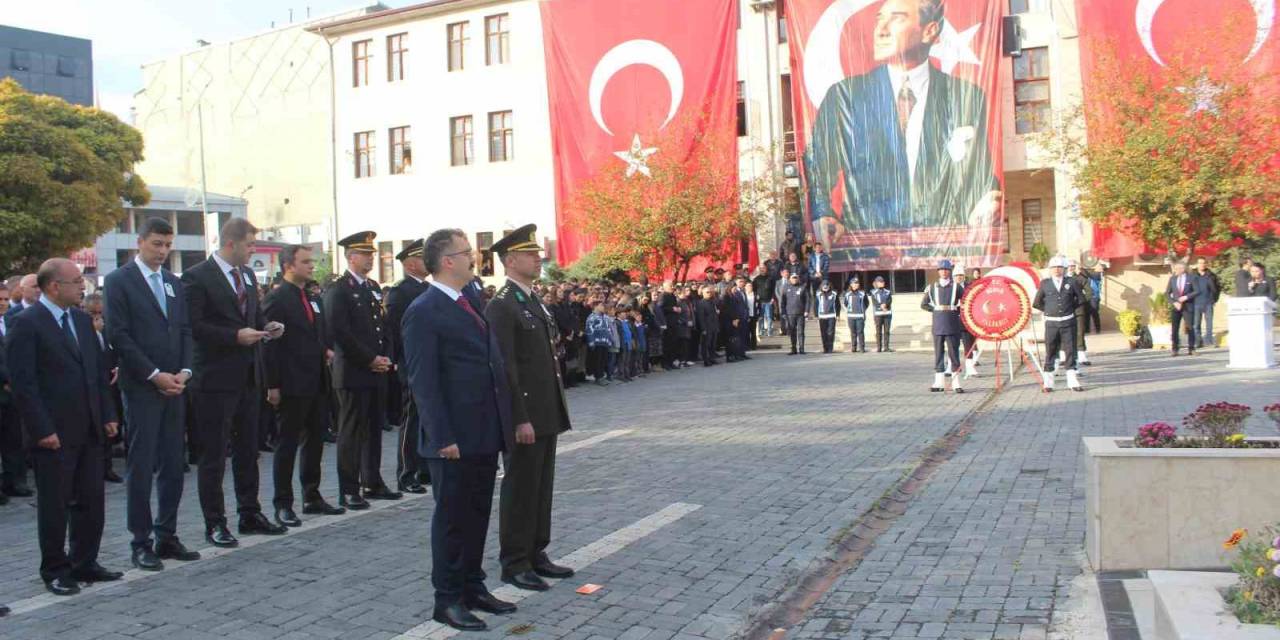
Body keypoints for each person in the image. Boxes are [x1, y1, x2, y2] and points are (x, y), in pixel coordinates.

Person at [402, 228, 517, 632]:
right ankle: (447, 599)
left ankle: (473, 585)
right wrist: (441, 437)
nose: (474, 257)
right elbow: (423, 381)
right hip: (452, 438)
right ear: (447, 261)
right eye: (467, 252)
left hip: (482, 430)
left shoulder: (469, 299)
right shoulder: (424, 309)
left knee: (477, 513)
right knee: (452, 519)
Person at [806, 0, 1000, 238]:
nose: (881, 30)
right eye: (879, 19)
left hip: (942, 239)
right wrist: (822, 211)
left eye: (896, 18)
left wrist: (989, 197)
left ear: (929, 30)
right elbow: (818, 161)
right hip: (868, 242)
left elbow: (978, 168)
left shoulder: (964, 96)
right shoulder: (845, 96)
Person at [8, 259, 123, 595]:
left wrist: (107, 414)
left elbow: (97, 374)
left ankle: (85, 561)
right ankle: (55, 569)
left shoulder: (81, 321)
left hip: (88, 428)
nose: (82, 286)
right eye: (75, 281)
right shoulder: (27, 323)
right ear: (54, 286)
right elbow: (24, 384)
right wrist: (42, 429)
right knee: (55, 504)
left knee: (91, 500)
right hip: (53, 434)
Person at [103, 217, 201, 570]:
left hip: (175, 386)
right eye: (156, 244)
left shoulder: (174, 283)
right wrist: (154, 374)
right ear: (140, 242)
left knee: (174, 463)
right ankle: (140, 540)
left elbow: (186, 331)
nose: (162, 251)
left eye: (167, 245)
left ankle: (167, 534)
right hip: (143, 386)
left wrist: (185, 372)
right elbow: (119, 334)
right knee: (142, 465)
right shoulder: (119, 281)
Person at [182, 218, 287, 547]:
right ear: (231, 243)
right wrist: (232, 336)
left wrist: (267, 326)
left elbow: (252, 319)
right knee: (214, 454)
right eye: (250, 244)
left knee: (248, 450)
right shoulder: (197, 277)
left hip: (248, 376)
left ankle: (249, 511)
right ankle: (215, 521)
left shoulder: (247, 275)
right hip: (214, 378)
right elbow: (194, 326)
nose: (253, 250)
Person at [484, 224, 576, 593]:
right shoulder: (502, 305)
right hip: (525, 416)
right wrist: (519, 417)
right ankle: (514, 561)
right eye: (530, 254)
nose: (539, 258)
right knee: (520, 488)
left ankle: (537, 552)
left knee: (541, 486)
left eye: (537, 253)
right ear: (510, 260)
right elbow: (506, 367)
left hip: (545, 410)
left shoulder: (532, 299)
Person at [263, 244, 346, 528]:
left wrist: (325, 349)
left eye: (312, 261)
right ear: (289, 265)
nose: (312, 266)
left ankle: (312, 495)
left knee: (315, 441)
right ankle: (283, 504)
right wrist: (272, 384)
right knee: (287, 444)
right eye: (306, 262)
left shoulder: (310, 297)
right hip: (291, 383)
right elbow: (270, 346)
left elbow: (315, 334)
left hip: (316, 380)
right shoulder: (277, 299)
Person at [325, 231, 402, 510]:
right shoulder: (339, 289)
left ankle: (372, 480)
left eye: (371, 254)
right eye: (365, 254)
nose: (370, 258)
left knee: (373, 429)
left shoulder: (371, 286)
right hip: (354, 371)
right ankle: (348, 488)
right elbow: (339, 331)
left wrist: (386, 357)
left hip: (376, 370)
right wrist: (370, 358)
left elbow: (384, 327)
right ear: (350, 257)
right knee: (352, 431)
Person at [386, 239, 431, 495]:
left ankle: (424, 468)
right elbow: (396, 332)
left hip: (427, 363)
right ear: (411, 263)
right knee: (412, 419)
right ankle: (406, 472)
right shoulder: (400, 292)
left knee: (427, 418)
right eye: (422, 258)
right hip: (411, 364)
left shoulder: (426, 288)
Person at [1033, 256, 1085, 391]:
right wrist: (1049, 310)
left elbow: (1080, 299)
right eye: (1054, 268)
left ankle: (1072, 381)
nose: (1057, 270)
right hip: (1052, 323)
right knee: (1050, 351)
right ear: (1050, 270)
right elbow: (1037, 303)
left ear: (1064, 269)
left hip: (1068, 322)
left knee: (1070, 351)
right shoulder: (1045, 283)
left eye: (1060, 267)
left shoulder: (1071, 282)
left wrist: (1069, 309)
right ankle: (1048, 383)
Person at [921, 260, 965, 393]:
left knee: (954, 353)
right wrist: (935, 310)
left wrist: (955, 311)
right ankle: (938, 382)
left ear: (950, 271)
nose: (944, 272)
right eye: (941, 269)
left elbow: (965, 302)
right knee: (938, 354)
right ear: (938, 271)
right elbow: (924, 304)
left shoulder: (957, 287)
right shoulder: (932, 287)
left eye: (946, 270)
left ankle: (956, 383)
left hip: (952, 324)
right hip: (938, 324)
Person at [1164, 261, 1200, 357]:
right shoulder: (1172, 279)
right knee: (1174, 328)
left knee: (1190, 327)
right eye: (1175, 269)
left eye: (1179, 268)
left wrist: (1186, 297)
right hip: (1176, 307)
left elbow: (1197, 291)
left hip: (1188, 306)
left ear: (1183, 269)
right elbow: (1167, 294)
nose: (1176, 270)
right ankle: (1175, 349)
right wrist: (1174, 302)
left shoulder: (1192, 278)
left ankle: (1191, 348)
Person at [1067, 260, 1093, 366]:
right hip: (1065, 310)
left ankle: (1082, 356)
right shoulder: (1062, 279)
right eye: (1068, 266)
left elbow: (1089, 292)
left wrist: (1080, 301)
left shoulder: (1081, 278)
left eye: (1073, 266)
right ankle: (1065, 356)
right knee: (1065, 334)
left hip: (1078, 310)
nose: (1071, 268)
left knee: (1079, 333)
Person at [1191, 257, 1220, 348]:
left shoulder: (1211, 275)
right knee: (1196, 324)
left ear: (1206, 264)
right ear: (1197, 264)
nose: (1202, 265)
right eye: (1200, 263)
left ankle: (1209, 341)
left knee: (1209, 324)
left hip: (1208, 303)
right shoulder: (1192, 275)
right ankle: (1198, 342)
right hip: (1196, 303)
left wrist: (1214, 299)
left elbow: (1217, 288)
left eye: (1204, 263)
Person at [780, 273, 810, 355]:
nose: (795, 279)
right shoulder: (786, 287)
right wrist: (783, 312)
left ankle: (801, 348)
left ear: (798, 278)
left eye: (796, 278)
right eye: (793, 278)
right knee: (792, 332)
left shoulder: (803, 287)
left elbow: (807, 300)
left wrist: (807, 311)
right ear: (790, 279)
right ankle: (793, 349)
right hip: (790, 313)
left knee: (801, 332)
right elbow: (783, 301)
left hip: (800, 313)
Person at [658, 281, 684, 370]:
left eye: (672, 285)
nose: (672, 287)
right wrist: (671, 309)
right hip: (667, 323)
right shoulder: (663, 296)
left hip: (674, 322)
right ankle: (666, 363)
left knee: (673, 343)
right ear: (665, 287)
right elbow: (660, 308)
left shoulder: (672, 295)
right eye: (670, 286)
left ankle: (671, 362)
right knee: (667, 344)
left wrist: (678, 309)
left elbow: (674, 306)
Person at [842, 278, 870, 353]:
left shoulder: (862, 293)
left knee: (860, 332)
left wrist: (862, 310)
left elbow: (867, 303)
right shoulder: (847, 294)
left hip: (860, 316)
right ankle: (854, 347)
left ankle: (862, 347)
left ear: (858, 285)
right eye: (853, 283)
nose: (855, 285)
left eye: (856, 283)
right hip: (851, 316)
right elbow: (845, 303)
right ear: (851, 285)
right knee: (853, 332)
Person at [695, 286, 721, 366]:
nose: (709, 294)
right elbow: (701, 317)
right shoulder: (701, 303)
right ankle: (706, 360)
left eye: (710, 292)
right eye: (707, 292)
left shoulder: (712, 301)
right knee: (706, 344)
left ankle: (712, 358)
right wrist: (703, 329)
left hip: (714, 326)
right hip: (707, 326)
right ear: (703, 293)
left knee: (713, 344)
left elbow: (715, 314)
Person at [814, 280, 839, 353]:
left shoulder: (834, 293)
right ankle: (825, 348)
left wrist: (837, 314)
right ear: (821, 286)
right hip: (822, 316)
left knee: (831, 332)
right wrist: (816, 315)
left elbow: (837, 304)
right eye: (823, 285)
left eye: (827, 285)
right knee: (823, 333)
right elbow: (816, 305)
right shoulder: (818, 294)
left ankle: (830, 348)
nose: (825, 287)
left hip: (831, 315)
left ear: (829, 286)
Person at [870, 276, 893, 352]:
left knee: (886, 331)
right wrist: (881, 306)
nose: (882, 283)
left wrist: (885, 305)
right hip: (878, 314)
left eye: (882, 281)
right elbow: (874, 302)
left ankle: (886, 347)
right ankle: (879, 347)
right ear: (876, 283)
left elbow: (890, 300)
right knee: (878, 331)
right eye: (880, 282)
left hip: (887, 313)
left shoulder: (888, 291)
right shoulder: (873, 292)